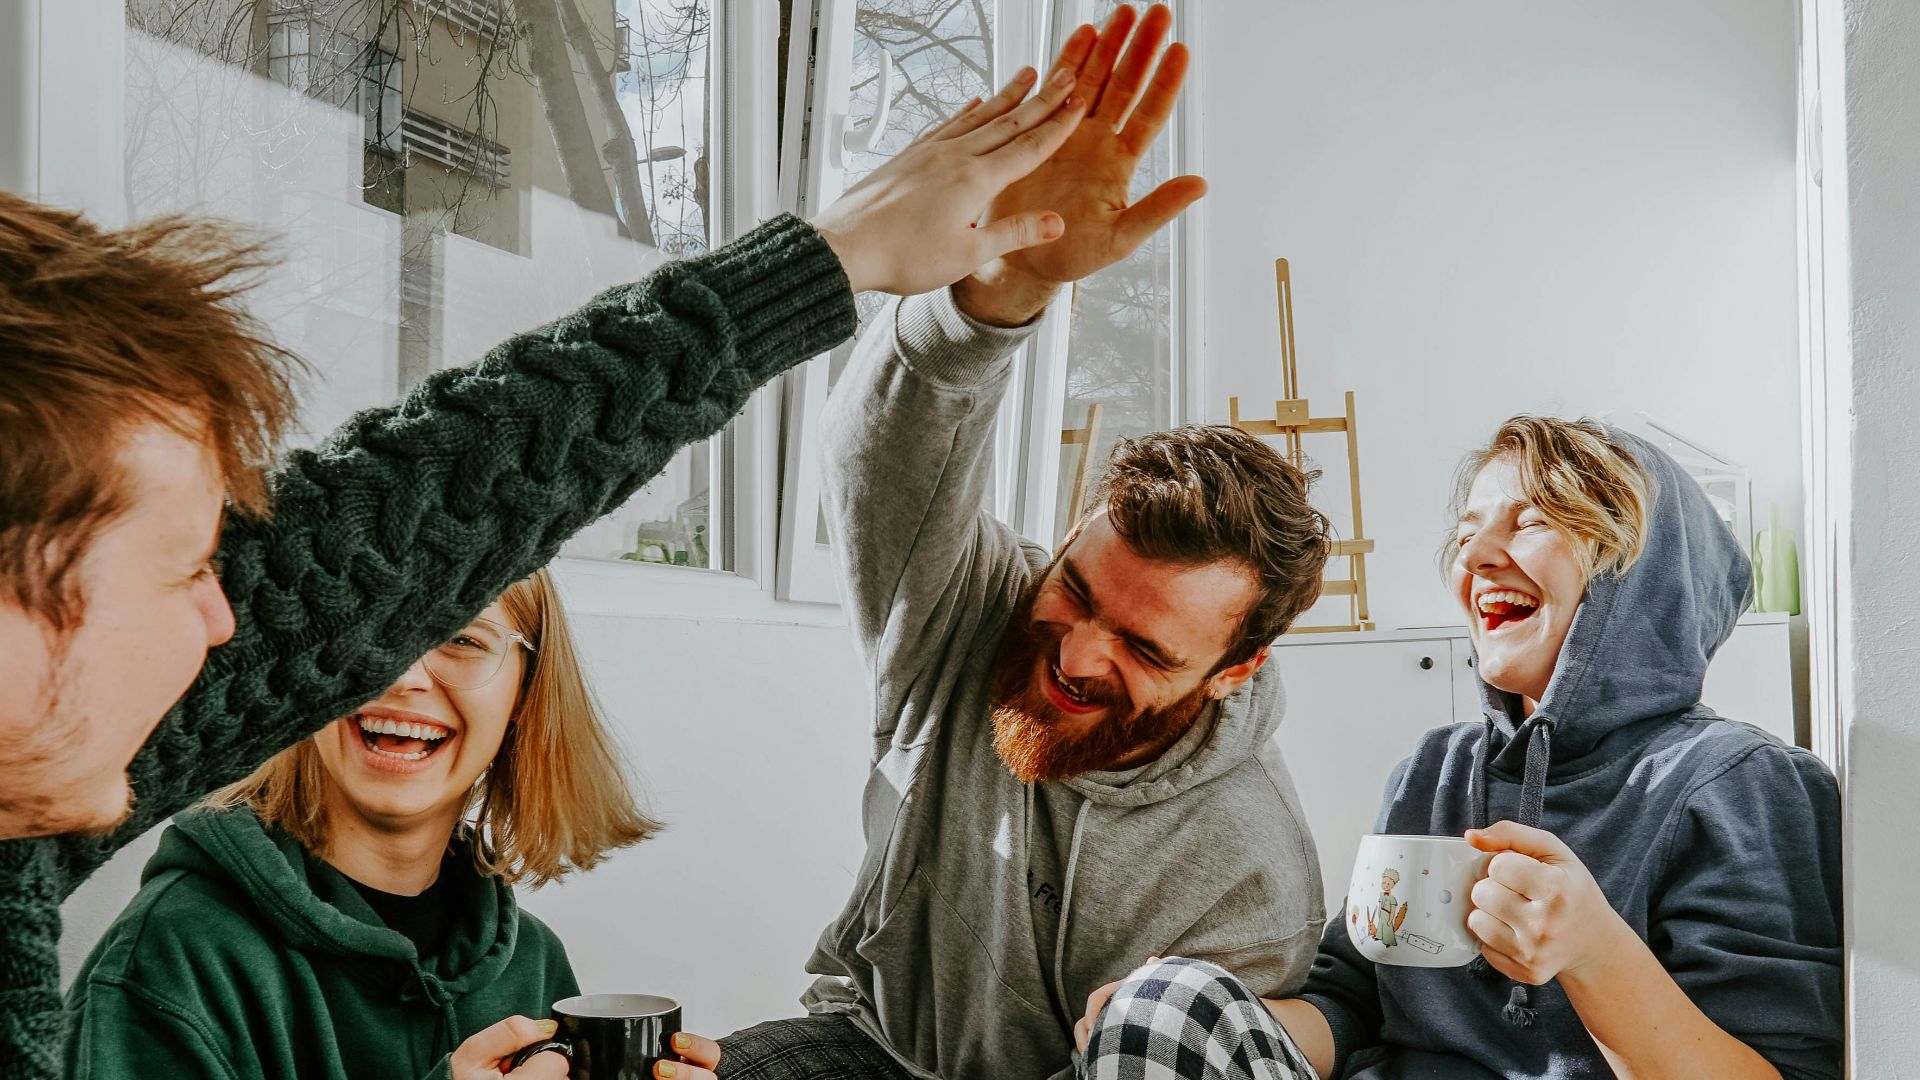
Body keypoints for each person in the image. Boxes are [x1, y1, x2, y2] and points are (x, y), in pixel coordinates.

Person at [0, 54, 1093, 1077]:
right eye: (190, 567)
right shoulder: (168, 949)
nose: (230, 621)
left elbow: (418, 513)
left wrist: (833, 257)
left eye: (465, 639)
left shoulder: (28, 838)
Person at [690, 9, 1331, 1080]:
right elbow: (882, 455)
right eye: (1076, 590)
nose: (1078, 655)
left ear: (1234, 671)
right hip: (868, 1043)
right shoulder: (970, 613)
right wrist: (1008, 289)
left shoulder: (1250, 876)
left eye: (1148, 648)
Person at [1076, 417, 1844, 1080]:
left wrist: (1595, 952)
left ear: (1639, 573)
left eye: (1532, 520)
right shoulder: (1436, 770)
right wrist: (1192, 1011)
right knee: (1165, 1006)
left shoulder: (1742, 785)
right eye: (1470, 530)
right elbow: (1351, 1003)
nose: (1475, 557)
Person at [65, 569, 652, 1079]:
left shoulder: (534, 960)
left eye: (461, 638)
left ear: (525, 691)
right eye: (374, 628)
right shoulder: (171, 955)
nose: (404, 677)